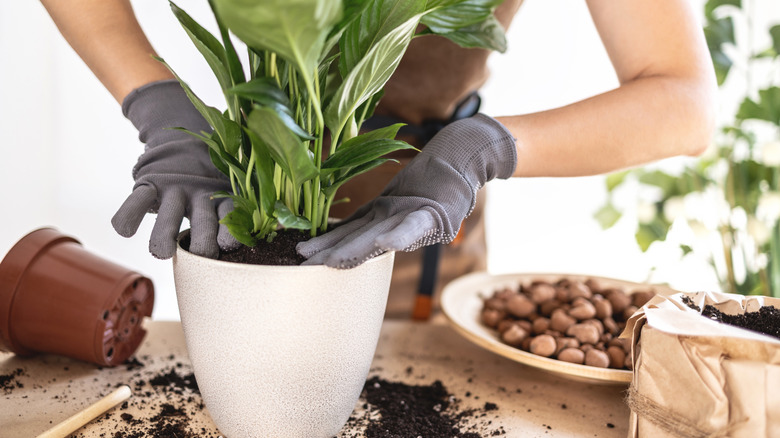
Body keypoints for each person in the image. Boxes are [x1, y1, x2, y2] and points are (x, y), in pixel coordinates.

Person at [40, 0, 716, 317]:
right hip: (253, 215)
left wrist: (479, 150)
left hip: (418, 222)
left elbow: (685, 103)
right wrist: (158, 104)